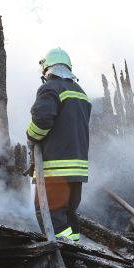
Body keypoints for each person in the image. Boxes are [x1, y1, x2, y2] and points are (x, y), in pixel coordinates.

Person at [26, 47, 91, 241]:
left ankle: (61, 255)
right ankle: (76, 254)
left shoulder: (50, 88)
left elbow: (42, 120)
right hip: (77, 170)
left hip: (55, 168)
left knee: (50, 215)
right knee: (69, 217)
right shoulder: (80, 92)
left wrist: (31, 135)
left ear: (47, 70)